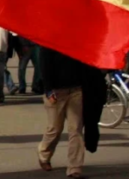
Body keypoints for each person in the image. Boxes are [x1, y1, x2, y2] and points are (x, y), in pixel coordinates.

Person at [38, 46, 87, 178]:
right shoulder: (48, 43)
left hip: (76, 90)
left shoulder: (76, 41)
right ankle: (44, 155)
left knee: (76, 129)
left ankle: (74, 167)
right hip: (56, 92)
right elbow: (44, 66)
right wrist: (48, 90)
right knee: (55, 128)